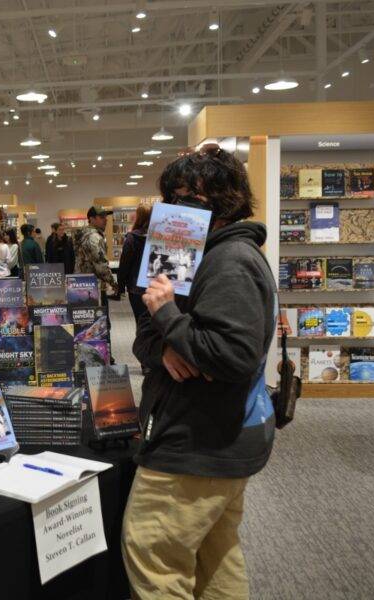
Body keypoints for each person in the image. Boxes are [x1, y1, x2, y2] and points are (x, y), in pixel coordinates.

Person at [122, 146, 277, 599]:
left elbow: (231, 356)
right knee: (216, 554)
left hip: (198, 440)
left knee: (153, 555)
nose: (180, 203)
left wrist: (171, 319)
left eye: (193, 193)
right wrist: (164, 342)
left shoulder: (230, 261)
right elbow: (146, 331)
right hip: (208, 432)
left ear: (225, 199)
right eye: (175, 194)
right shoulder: (187, 252)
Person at [74, 206, 117, 306]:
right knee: (101, 318)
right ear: (91, 219)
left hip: (81, 283)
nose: (105, 219)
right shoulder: (94, 238)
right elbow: (101, 265)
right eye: (101, 217)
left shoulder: (83, 234)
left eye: (105, 217)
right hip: (94, 286)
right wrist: (113, 283)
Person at [116, 205, 152, 322]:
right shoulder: (158, 237)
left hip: (136, 288)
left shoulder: (132, 238)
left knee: (140, 320)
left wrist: (120, 286)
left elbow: (124, 265)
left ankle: (142, 339)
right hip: (155, 286)